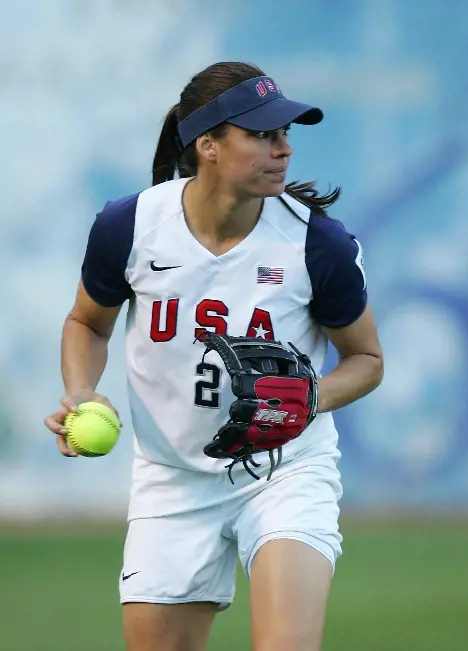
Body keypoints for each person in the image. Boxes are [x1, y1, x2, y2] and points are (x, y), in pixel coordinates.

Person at [42, 61, 384, 651]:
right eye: (262, 135)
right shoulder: (130, 227)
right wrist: (80, 390)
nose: (284, 149)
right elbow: (86, 324)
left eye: (286, 134)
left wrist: (309, 397)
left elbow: (367, 360)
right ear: (209, 145)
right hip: (172, 480)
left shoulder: (316, 244)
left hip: (285, 471)